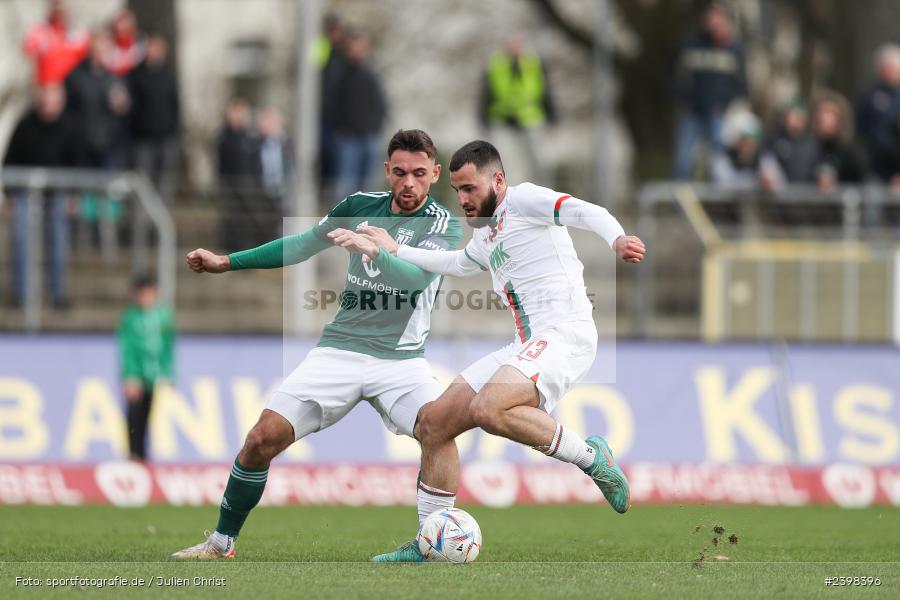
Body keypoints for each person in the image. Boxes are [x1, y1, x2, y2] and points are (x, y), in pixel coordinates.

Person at [329, 140, 645, 562]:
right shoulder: (486, 234)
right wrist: (395, 249)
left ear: (498, 180)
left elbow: (587, 211)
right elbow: (459, 263)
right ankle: (429, 541)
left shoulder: (527, 199)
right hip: (525, 343)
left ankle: (592, 458)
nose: (462, 199)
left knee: (488, 409)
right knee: (434, 424)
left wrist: (618, 238)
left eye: (470, 189)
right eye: (457, 191)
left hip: (565, 334)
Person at [172, 129, 462, 559]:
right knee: (260, 438)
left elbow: (415, 281)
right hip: (339, 352)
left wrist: (377, 249)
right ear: (387, 170)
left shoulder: (444, 224)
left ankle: (427, 543)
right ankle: (220, 543)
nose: (408, 183)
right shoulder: (359, 206)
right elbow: (301, 245)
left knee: (440, 430)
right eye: (399, 172)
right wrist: (227, 262)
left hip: (402, 362)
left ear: (435, 174)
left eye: (419, 174)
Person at [4, 84, 78, 308]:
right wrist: (8, 196)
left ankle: (57, 294)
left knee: (58, 240)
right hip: (26, 193)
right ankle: (20, 294)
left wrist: (73, 194)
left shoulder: (68, 127)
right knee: (21, 239)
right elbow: (10, 161)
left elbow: (77, 164)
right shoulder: (25, 125)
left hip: (57, 195)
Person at [672, 2, 747, 179]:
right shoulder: (692, 45)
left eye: (718, 19)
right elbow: (679, 78)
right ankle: (679, 204)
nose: (714, 23)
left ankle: (719, 205)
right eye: (711, 18)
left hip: (719, 114)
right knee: (684, 160)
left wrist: (725, 105)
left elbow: (741, 85)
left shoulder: (734, 50)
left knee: (719, 162)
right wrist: (685, 100)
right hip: (693, 113)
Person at [479, 33, 557, 182]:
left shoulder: (534, 64)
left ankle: (541, 195)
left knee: (538, 161)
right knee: (505, 163)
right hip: (503, 120)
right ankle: (508, 197)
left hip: (530, 119)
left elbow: (546, 92)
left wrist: (552, 119)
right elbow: (485, 93)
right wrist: (483, 120)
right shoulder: (496, 65)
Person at [118, 275, 175, 461]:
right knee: (133, 416)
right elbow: (127, 349)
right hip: (137, 375)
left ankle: (143, 455)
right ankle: (134, 454)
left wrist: (168, 373)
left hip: (152, 376)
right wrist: (129, 375)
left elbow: (168, 347)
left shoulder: (163, 316)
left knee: (147, 415)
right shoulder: (131, 318)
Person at [332, 30, 387, 203]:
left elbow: (381, 103)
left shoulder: (371, 73)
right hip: (348, 137)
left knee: (369, 184)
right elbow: (333, 103)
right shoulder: (340, 73)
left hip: (369, 135)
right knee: (346, 184)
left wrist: (376, 126)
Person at [216, 98, 259, 249]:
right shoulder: (224, 137)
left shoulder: (250, 136)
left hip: (248, 185)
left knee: (247, 219)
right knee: (232, 218)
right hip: (230, 184)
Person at [856, 45, 900, 183]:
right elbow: (862, 132)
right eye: (887, 66)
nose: (891, 71)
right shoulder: (869, 96)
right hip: (877, 168)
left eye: (894, 67)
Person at [22, 0, 90, 86]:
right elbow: (28, 54)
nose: (59, 8)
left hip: (74, 89)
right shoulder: (39, 33)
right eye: (56, 4)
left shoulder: (79, 34)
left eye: (62, 4)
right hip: (49, 89)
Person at [809, 93, 867, 192]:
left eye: (831, 117)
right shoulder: (808, 148)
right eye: (822, 118)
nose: (826, 122)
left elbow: (861, 177)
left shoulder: (851, 151)